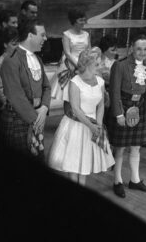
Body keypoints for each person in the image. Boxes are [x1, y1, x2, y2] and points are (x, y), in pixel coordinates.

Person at [48, 49, 115, 186]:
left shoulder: (101, 82)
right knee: (73, 159)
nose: (100, 66)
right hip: (77, 125)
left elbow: (101, 105)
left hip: (93, 123)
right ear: (88, 65)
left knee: (85, 158)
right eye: (97, 64)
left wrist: (99, 124)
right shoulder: (75, 82)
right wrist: (91, 126)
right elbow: (76, 109)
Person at [106, 34, 146, 197]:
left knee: (136, 146)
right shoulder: (120, 65)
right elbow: (114, 92)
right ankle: (117, 181)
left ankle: (135, 180)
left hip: (140, 107)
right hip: (124, 106)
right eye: (139, 49)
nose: (142, 52)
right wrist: (118, 114)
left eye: (145, 49)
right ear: (131, 49)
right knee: (120, 148)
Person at [0, 18, 50, 158]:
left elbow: (47, 86)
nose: (45, 38)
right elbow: (15, 95)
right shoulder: (11, 60)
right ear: (30, 35)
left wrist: (44, 107)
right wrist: (36, 120)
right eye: (42, 35)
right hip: (18, 119)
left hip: (35, 118)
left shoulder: (37, 59)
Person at [51, 9, 91, 102]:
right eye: (81, 20)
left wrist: (86, 63)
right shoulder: (67, 34)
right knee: (68, 95)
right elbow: (67, 53)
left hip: (85, 62)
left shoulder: (86, 34)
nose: (83, 22)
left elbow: (89, 49)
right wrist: (78, 65)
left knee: (84, 94)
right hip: (71, 63)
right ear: (74, 21)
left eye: (84, 20)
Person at [0, 26, 19, 136]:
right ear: (5, 44)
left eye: (18, 43)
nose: (17, 47)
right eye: (14, 44)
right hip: (5, 109)